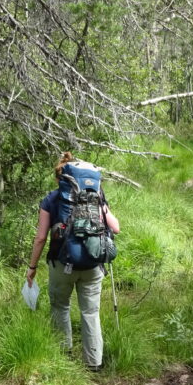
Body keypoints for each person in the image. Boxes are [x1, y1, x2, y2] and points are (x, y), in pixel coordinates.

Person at [26, 151, 120, 371]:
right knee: (90, 312)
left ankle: (63, 355)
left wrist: (32, 267)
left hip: (62, 264)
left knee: (60, 306)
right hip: (93, 263)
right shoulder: (95, 196)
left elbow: (40, 238)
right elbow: (115, 227)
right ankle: (94, 363)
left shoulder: (52, 198)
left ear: (60, 178)